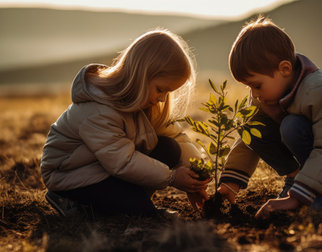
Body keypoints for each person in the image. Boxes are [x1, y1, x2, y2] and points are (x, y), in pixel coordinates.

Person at [217, 17, 322, 218]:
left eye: (257, 85)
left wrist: (297, 198)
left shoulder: (320, 90)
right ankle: (296, 179)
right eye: (249, 87)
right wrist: (231, 181)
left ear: (285, 69)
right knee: (251, 125)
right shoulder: (266, 96)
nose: (254, 93)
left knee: (292, 126)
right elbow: (251, 136)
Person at [40, 29, 210, 217]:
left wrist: (196, 174)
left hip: (105, 169)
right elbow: (122, 162)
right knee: (138, 209)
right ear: (141, 75)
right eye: (160, 89)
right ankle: (69, 200)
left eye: (167, 93)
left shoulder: (146, 103)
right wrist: (171, 177)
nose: (162, 99)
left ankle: (129, 200)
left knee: (170, 147)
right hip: (72, 176)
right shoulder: (97, 111)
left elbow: (177, 136)